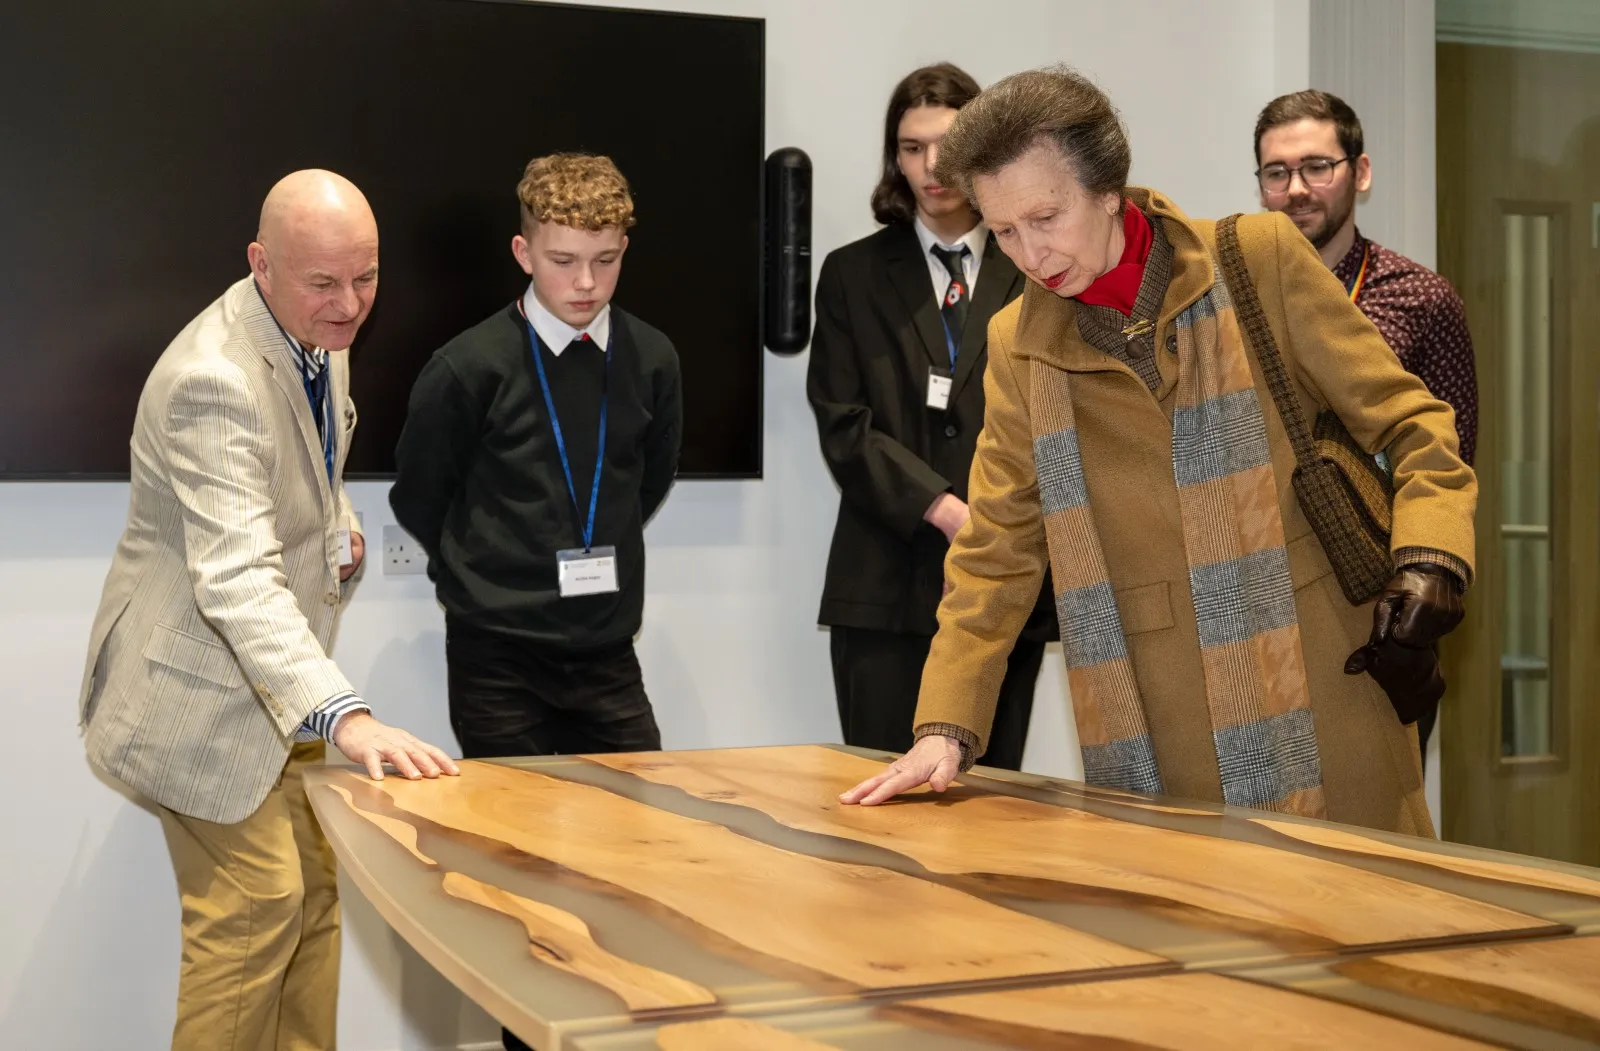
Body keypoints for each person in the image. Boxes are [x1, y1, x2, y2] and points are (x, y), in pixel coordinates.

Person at [841, 67, 1477, 836]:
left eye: (1046, 216)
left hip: (1322, 685)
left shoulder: (1259, 258)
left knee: (1366, 906)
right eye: (1004, 230)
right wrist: (945, 724)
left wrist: (1432, 555)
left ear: (1108, 189)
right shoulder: (1019, 345)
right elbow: (998, 548)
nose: (1031, 252)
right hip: (1149, 718)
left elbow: (1414, 424)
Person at [77, 169, 459, 1051]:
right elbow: (237, 576)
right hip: (196, 697)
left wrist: (337, 522)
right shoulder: (214, 380)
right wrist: (348, 716)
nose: (350, 304)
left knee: (316, 895)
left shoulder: (313, 327)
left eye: (366, 277)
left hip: (274, 693)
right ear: (262, 264)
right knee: (257, 905)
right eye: (325, 282)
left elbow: (301, 468)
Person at [807, 63, 1055, 771]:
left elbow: (1053, 414)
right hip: (884, 582)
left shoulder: (1035, 266)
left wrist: (988, 524)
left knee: (993, 802)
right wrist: (945, 511)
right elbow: (843, 423)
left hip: (1004, 580)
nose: (931, 166)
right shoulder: (851, 272)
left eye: (947, 145)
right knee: (877, 802)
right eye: (912, 148)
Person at [1255, 89, 1479, 767]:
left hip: (1381, 606)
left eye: (1316, 167)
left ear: (1361, 172)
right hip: (1265, 595)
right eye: (1277, 172)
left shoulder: (1421, 299)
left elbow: (1450, 459)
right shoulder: (1234, 301)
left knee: (1380, 814)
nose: (1296, 189)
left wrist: (1422, 581)